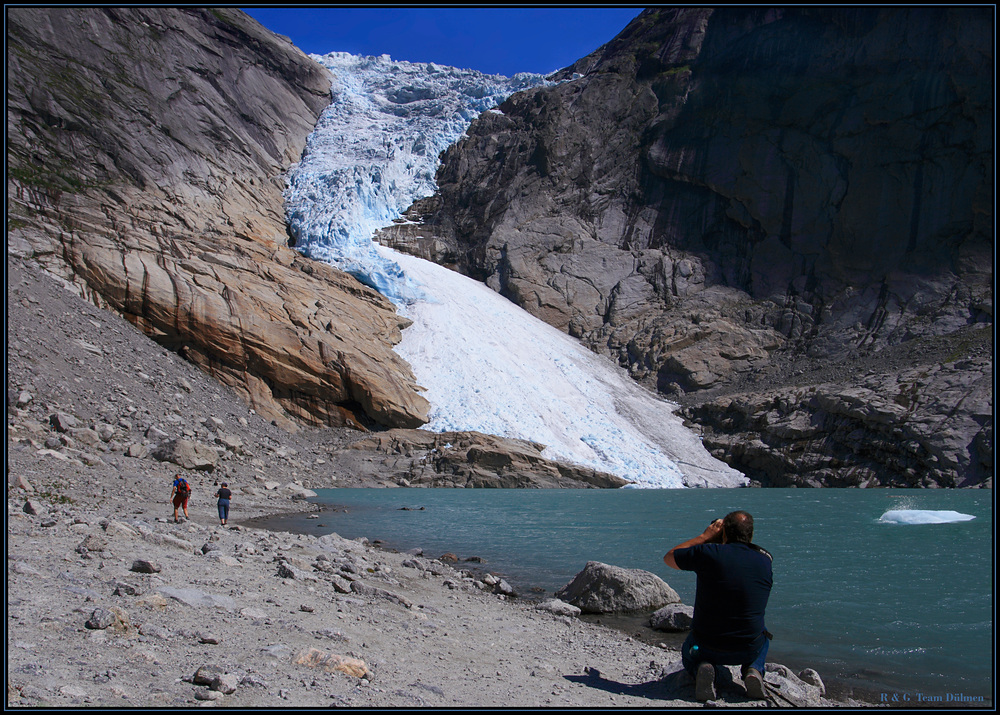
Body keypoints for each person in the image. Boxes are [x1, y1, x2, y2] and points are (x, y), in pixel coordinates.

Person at [664, 510, 772, 702]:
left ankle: (702, 667)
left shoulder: (708, 554)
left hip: (706, 645)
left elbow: (670, 557)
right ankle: (753, 669)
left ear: (723, 534)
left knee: (689, 650)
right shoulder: (765, 561)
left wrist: (705, 537)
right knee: (764, 637)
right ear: (751, 535)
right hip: (748, 647)